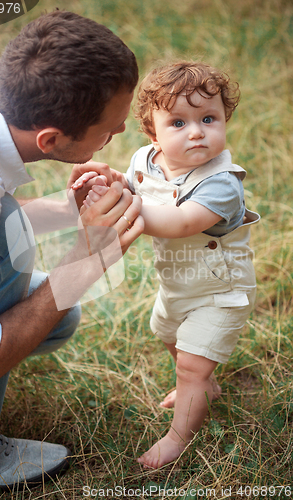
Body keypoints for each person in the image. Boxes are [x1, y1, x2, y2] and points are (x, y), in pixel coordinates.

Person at [0, 10, 144, 489]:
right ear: (51, 139)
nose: (121, 133)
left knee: (54, 314)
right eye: (109, 128)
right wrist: (83, 264)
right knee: (20, 275)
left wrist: (68, 210)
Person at [75, 60, 260, 469]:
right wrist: (109, 187)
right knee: (166, 332)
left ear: (225, 121)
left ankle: (179, 435)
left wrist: (123, 208)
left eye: (208, 118)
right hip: (178, 285)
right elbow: (132, 184)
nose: (196, 131)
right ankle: (201, 385)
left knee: (192, 364)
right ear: (152, 133)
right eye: (178, 122)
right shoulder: (147, 159)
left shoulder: (222, 183)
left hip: (220, 292)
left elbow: (181, 222)